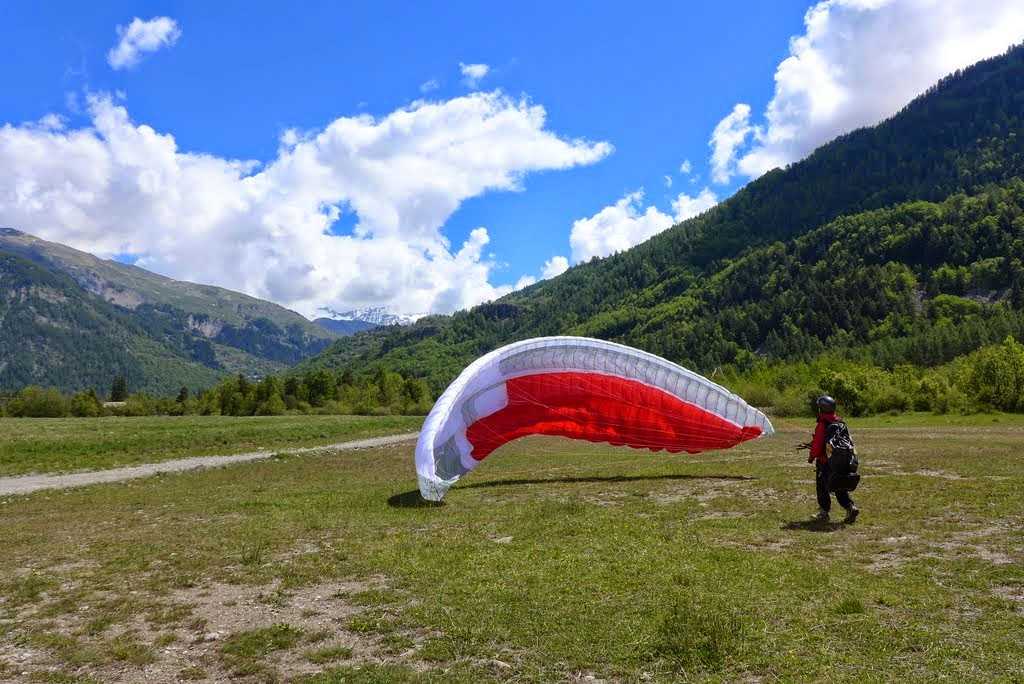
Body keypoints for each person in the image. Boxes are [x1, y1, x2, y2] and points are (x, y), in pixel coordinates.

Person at [797, 395, 860, 523]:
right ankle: (850, 507)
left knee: (822, 487)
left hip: (825, 462)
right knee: (839, 485)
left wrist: (811, 457)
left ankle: (824, 513)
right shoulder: (840, 422)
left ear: (821, 409)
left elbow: (818, 443)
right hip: (840, 461)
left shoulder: (823, 423)